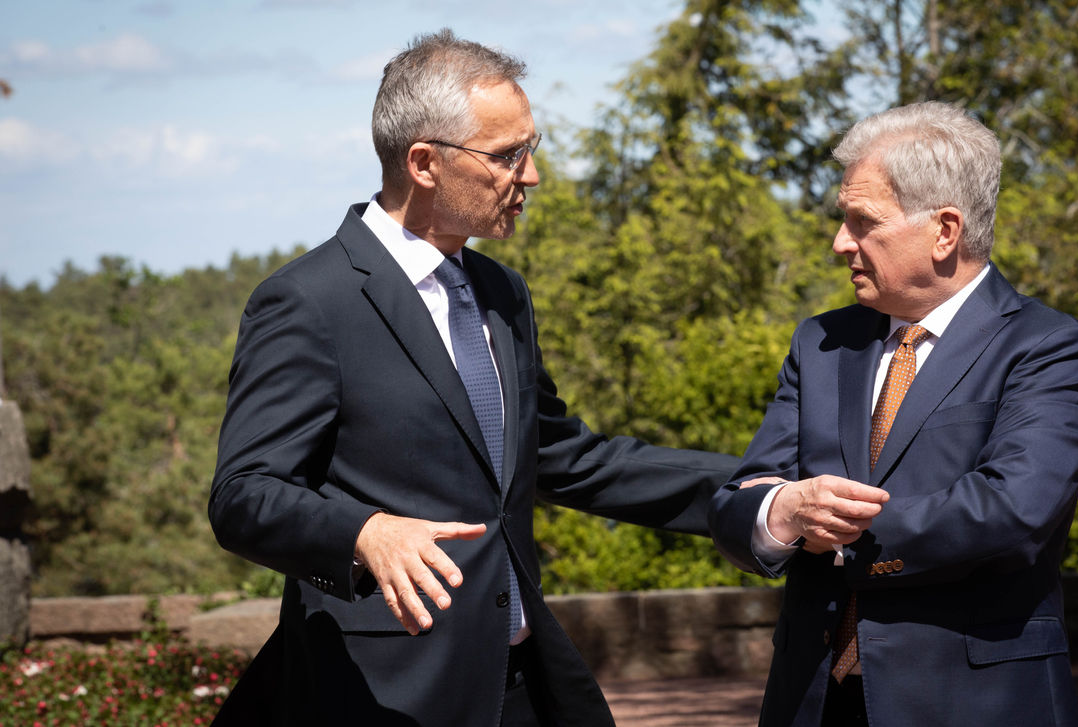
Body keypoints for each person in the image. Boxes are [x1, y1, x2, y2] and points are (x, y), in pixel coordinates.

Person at [208, 29, 738, 727]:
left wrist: (756, 489)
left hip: (520, 686)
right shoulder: (309, 301)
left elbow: (565, 457)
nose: (532, 175)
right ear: (424, 162)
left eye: (531, 148)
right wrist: (364, 531)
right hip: (386, 696)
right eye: (507, 155)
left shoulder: (501, 291)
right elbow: (243, 494)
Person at [708, 101, 1078, 726]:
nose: (841, 243)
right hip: (811, 703)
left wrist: (840, 533)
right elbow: (739, 500)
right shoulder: (820, 343)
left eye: (863, 222)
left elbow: (1015, 508)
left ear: (944, 230)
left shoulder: (1046, 345)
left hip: (974, 705)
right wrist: (781, 512)